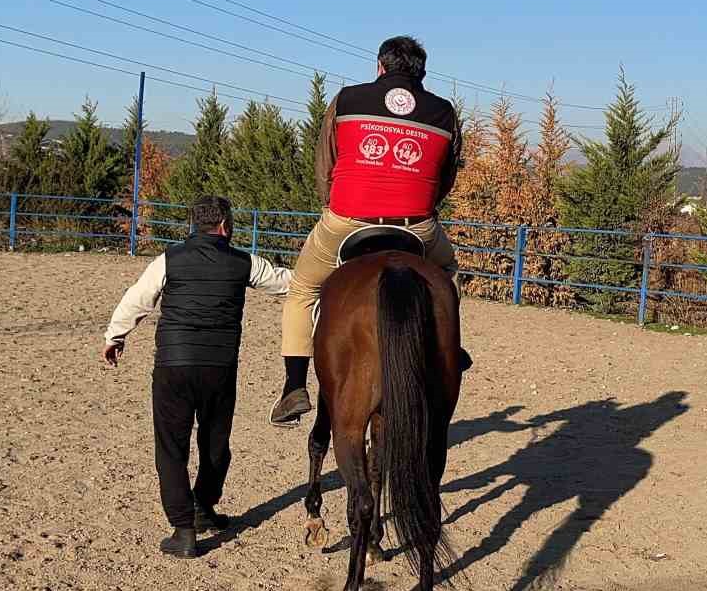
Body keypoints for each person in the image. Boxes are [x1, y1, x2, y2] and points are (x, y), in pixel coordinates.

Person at [272, 35, 462, 427]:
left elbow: (325, 160)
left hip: (347, 222)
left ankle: (294, 386)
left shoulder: (347, 100)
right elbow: (447, 176)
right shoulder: (444, 112)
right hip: (417, 226)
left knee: (302, 290)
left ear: (380, 66)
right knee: (447, 274)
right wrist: (423, 205)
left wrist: (332, 204)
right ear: (422, 72)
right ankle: (449, 351)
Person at [102, 195, 293, 559]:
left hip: (174, 366)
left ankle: (184, 529)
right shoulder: (244, 262)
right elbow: (287, 283)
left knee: (172, 448)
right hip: (220, 367)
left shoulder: (168, 260)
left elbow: (138, 299)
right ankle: (204, 506)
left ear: (196, 223)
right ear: (224, 225)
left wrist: (115, 336)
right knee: (216, 443)